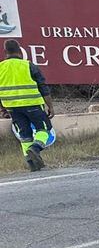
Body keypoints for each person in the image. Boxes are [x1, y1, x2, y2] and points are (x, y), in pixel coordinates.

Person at [0, 39, 55, 171]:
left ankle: (32, 164)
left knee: (25, 135)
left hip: (12, 107)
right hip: (33, 105)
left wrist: (3, 108)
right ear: (20, 51)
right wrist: (50, 106)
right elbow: (43, 88)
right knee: (44, 129)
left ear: (4, 52)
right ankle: (35, 149)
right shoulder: (29, 65)